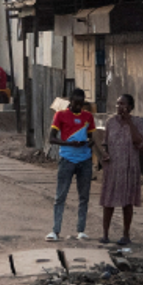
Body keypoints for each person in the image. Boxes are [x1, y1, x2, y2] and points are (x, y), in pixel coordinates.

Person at [96, 94, 143, 245]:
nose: (119, 107)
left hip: (129, 167)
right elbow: (105, 143)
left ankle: (126, 235)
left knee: (128, 201)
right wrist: (104, 153)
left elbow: (139, 141)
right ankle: (105, 234)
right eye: (118, 104)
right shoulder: (110, 122)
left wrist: (129, 122)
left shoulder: (137, 122)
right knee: (108, 201)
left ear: (130, 107)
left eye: (123, 104)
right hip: (112, 167)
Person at [47, 88, 95, 242]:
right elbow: (52, 138)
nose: (78, 107)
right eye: (76, 103)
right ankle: (55, 230)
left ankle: (81, 230)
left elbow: (91, 137)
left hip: (84, 159)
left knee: (84, 196)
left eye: (81, 104)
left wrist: (89, 142)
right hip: (67, 158)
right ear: (70, 101)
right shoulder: (60, 115)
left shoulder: (88, 116)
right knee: (60, 196)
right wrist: (68, 143)